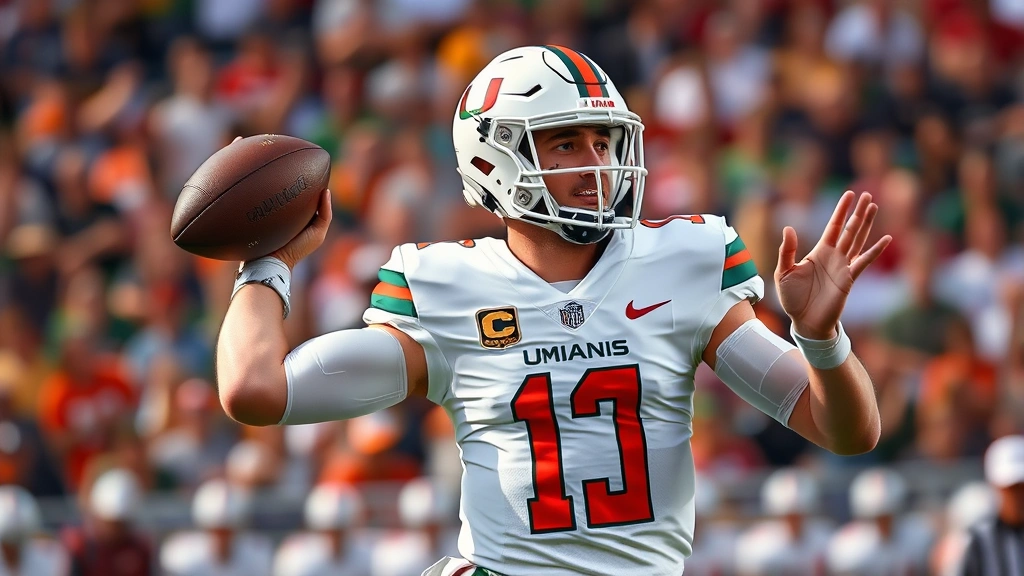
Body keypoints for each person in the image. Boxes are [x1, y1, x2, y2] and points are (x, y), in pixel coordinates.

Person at [214, 45, 890, 575]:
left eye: (605, 141)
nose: (597, 164)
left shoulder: (683, 263)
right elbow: (255, 390)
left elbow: (848, 432)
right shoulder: (446, 285)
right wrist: (267, 261)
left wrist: (820, 338)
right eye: (567, 142)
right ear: (493, 156)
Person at [959, 435, 1024, 575]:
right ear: (993, 486)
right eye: (1009, 489)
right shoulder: (976, 539)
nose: (1016, 496)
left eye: (1021, 488)